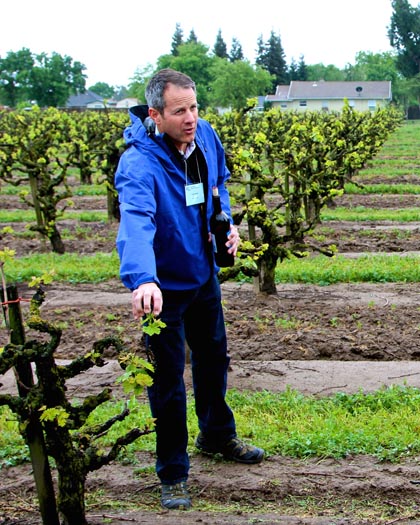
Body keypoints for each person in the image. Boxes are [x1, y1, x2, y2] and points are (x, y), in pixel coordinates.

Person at [115, 68, 264, 510]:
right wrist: (143, 278)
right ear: (155, 115)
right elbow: (136, 223)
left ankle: (217, 436)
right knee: (167, 383)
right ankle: (173, 471)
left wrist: (228, 228)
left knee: (214, 359)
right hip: (162, 290)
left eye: (194, 107)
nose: (191, 118)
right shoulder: (139, 163)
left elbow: (218, 190)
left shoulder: (206, 140)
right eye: (180, 111)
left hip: (203, 278)